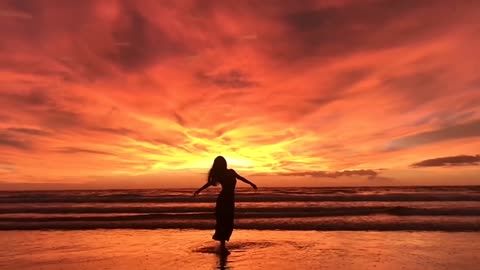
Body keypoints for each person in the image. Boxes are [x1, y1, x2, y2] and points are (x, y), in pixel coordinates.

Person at [194, 156, 257, 254]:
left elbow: (241, 178)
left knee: (228, 222)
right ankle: (222, 247)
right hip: (224, 200)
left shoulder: (231, 172)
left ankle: (222, 246)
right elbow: (209, 183)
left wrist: (251, 184)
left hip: (229, 200)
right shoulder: (220, 175)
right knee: (223, 221)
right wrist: (199, 190)